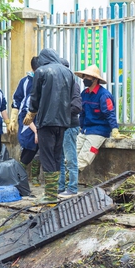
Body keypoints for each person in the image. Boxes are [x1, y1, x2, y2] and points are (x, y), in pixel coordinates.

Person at [23, 48, 79, 203]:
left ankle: (50, 195)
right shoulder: (68, 73)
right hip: (63, 123)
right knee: (56, 156)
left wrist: (31, 113)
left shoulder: (41, 71)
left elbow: (35, 96)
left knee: (47, 156)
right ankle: (54, 193)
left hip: (46, 122)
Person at [75, 65, 128, 172]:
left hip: (99, 131)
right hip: (85, 130)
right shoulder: (84, 94)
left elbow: (110, 113)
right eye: (84, 76)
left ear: (95, 79)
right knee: (71, 155)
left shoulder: (104, 95)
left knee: (82, 159)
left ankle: (69, 183)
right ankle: (65, 181)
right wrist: (80, 128)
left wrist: (115, 129)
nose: (85, 79)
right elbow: (82, 114)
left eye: (88, 77)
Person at [9, 57, 40, 169]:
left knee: (38, 150)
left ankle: (33, 176)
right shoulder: (25, 82)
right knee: (29, 146)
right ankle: (19, 174)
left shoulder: (43, 81)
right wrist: (12, 119)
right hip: (27, 120)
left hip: (40, 119)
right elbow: (17, 101)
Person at [58, 58, 82, 198]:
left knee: (70, 159)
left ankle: (72, 187)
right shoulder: (60, 84)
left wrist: (62, 113)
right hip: (61, 126)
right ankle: (61, 187)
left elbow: (77, 107)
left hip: (70, 126)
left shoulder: (73, 85)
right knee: (60, 159)